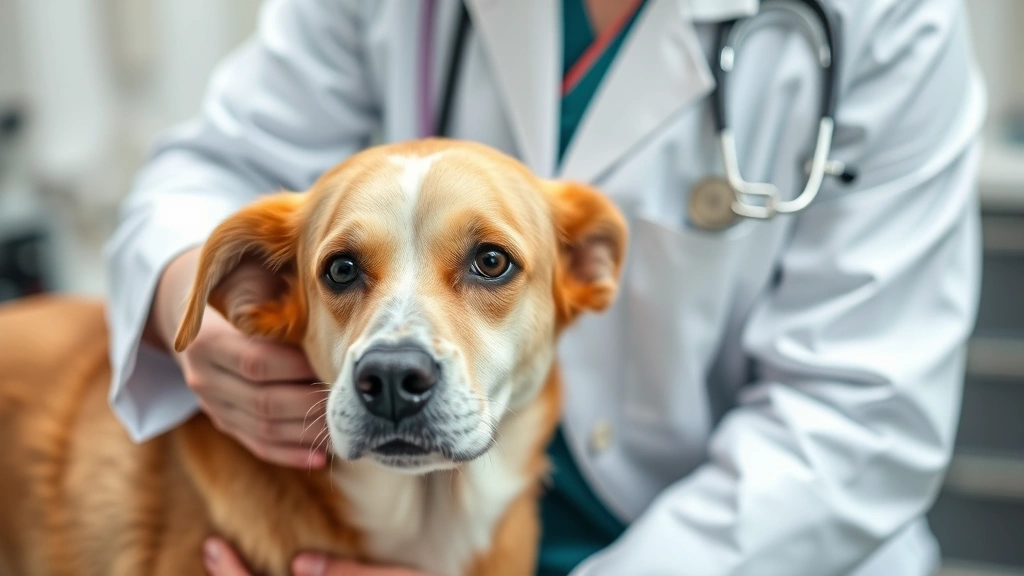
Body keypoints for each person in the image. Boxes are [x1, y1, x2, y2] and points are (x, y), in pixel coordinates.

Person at [105, 0, 987, 574]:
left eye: (488, 263)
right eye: (344, 271)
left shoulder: (888, 21)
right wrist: (193, 292)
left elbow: (861, 414)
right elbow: (219, 163)